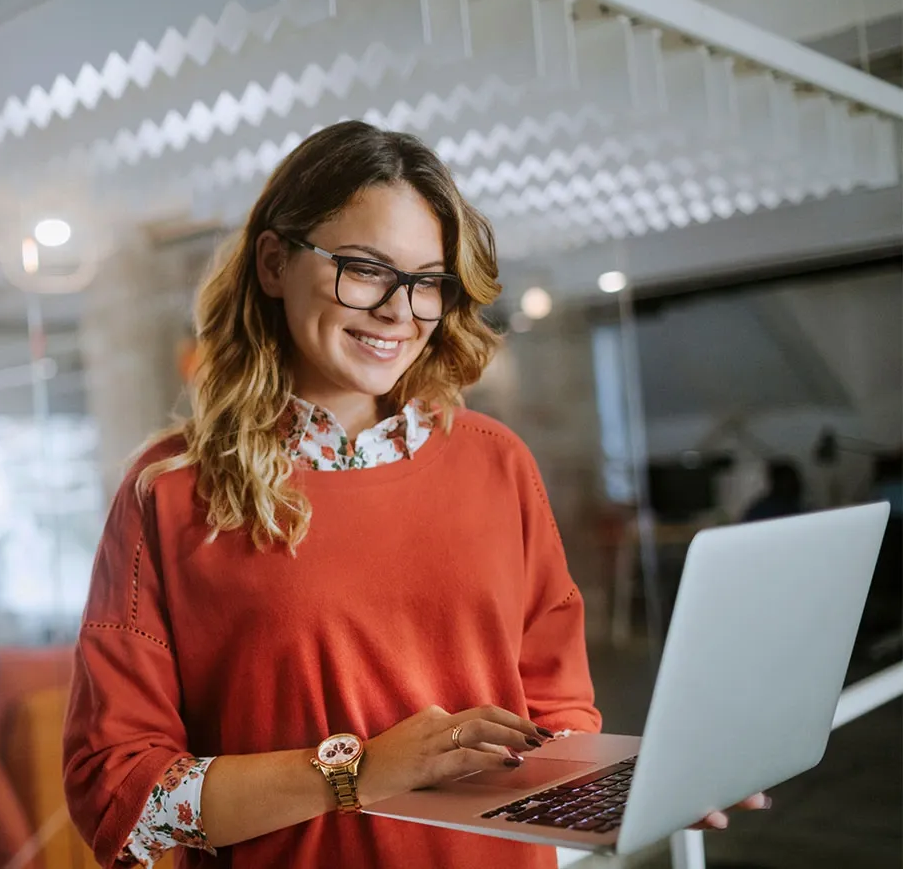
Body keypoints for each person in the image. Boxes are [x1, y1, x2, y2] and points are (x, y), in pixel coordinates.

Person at [63, 122, 766, 869]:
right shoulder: (169, 492)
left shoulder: (498, 463)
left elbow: (554, 717)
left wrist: (631, 785)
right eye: (366, 269)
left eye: (429, 280)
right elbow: (120, 792)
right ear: (274, 263)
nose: (402, 311)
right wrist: (357, 772)